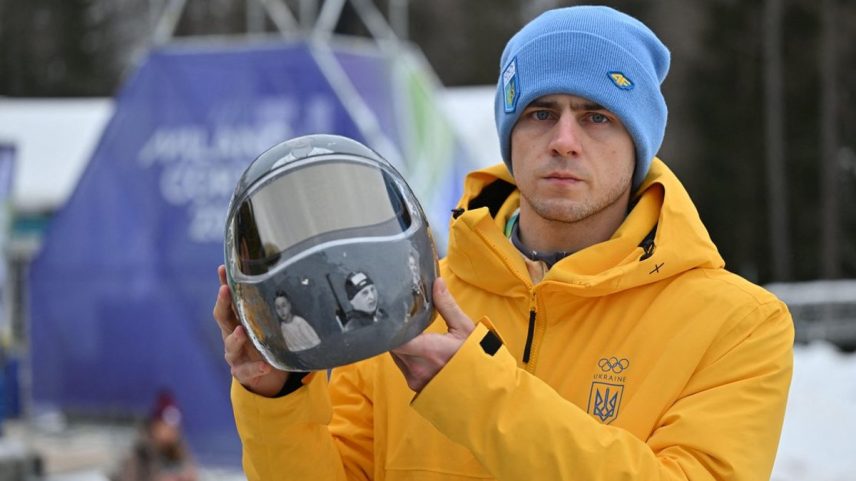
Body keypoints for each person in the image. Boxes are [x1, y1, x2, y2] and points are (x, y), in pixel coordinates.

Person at [213, 6, 793, 480]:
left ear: (639, 142)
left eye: (597, 117)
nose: (564, 140)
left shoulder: (738, 323)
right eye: (540, 112)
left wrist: (473, 390)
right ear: (510, 134)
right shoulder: (407, 299)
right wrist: (278, 398)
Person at [112, 390, 197, 481]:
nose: (170, 431)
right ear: (155, 425)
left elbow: (193, 474)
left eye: (174, 427)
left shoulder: (182, 454)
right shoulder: (139, 456)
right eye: (165, 425)